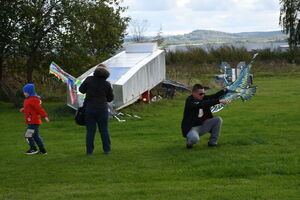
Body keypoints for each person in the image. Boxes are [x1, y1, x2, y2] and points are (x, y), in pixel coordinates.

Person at [79, 64, 114, 155]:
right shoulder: (106, 84)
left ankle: (89, 151)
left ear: (95, 72)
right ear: (106, 74)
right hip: (102, 109)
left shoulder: (89, 80)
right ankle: (107, 150)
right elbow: (110, 98)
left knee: (90, 130)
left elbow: (81, 90)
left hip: (90, 108)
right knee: (104, 130)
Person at [181, 84, 228, 149]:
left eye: (203, 93)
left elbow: (214, 96)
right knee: (195, 139)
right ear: (193, 93)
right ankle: (189, 142)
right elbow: (202, 104)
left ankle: (212, 143)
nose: (202, 95)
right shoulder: (190, 101)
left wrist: (224, 90)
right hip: (191, 128)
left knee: (218, 119)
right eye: (200, 94)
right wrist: (218, 101)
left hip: (202, 126)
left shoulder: (203, 98)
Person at [20, 83, 50, 155]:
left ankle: (33, 149)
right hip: (32, 121)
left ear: (29, 92)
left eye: (25, 92)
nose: (24, 93)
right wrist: (24, 109)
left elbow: (39, 109)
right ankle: (43, 151)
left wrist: (45, 116)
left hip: (34, 122)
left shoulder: (33, 99)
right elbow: (30, 107)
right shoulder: (29, 99)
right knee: (36, 136)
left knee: (28, 135)